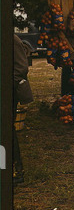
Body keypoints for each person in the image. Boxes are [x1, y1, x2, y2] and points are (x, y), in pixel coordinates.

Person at [13, 34, 33, 184]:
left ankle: (16, 171)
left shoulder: (11, 39)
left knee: (6, 132)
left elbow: (21, 68)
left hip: (8, 93)